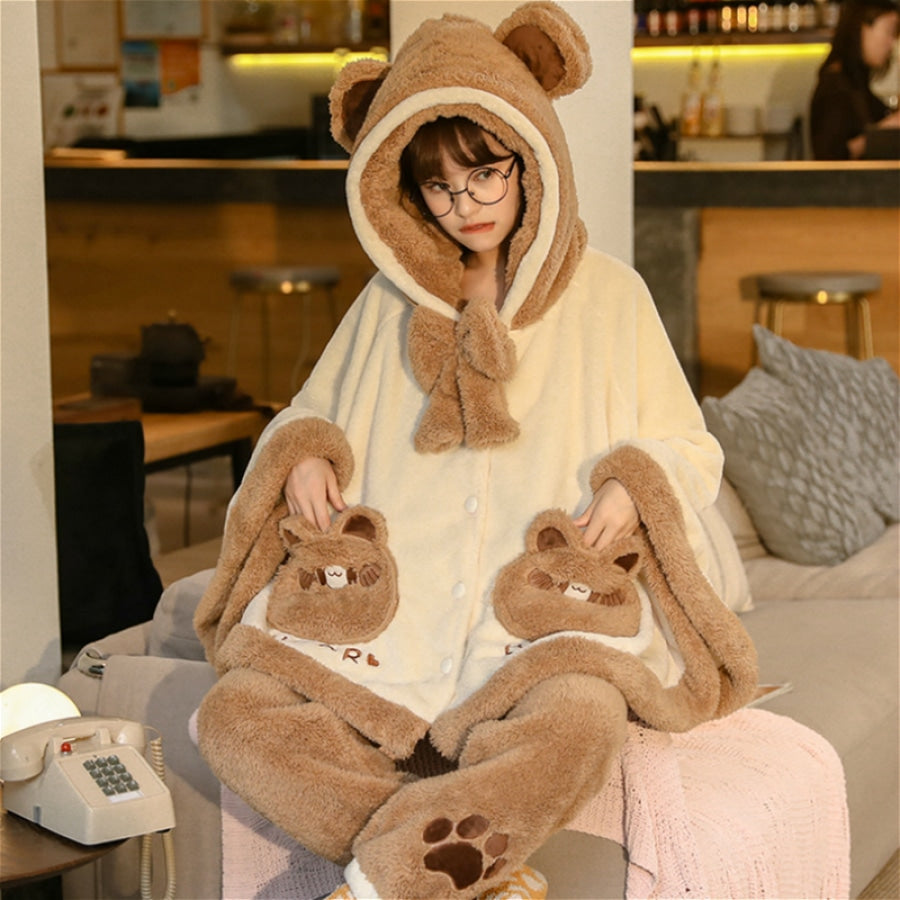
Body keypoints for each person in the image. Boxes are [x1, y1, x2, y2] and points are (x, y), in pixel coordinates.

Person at [193, 5, 757, 899]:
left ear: (530, 160)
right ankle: (466, 867)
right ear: (403, 193)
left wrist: (633, 483)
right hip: (396, 615)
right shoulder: (385, 304)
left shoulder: (611, 295)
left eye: (486, 175)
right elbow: (309, 412)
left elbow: (689, 445)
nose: (467, 206)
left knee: (583, 719)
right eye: (440, 189)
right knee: (233, 716)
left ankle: (382, 883)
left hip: (538, 619)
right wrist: (303, 455)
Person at [810, 0, 900, 159]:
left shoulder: (855, 83)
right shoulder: (835, 86)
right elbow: (830, 156)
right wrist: (886, 129)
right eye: (889, 31)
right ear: (862, 28)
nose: (891, 43)